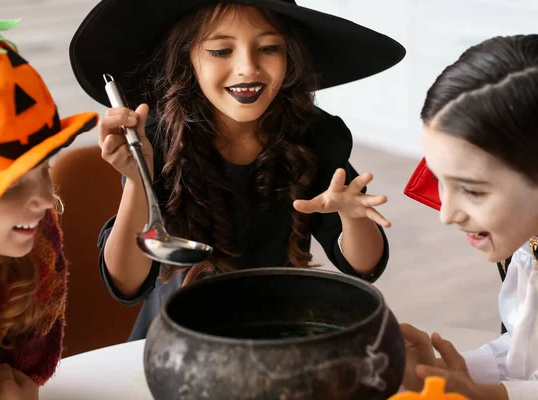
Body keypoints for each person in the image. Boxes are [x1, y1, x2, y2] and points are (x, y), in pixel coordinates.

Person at [69, 0, 406, 340]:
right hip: (175, 342)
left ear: (291, 56)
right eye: (220, 50)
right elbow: (126, 282)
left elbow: (364, 267)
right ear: (187, 58)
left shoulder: (316, 137)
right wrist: (136, 179)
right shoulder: (155, 140)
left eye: (269, 47)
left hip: (277, 336)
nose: (247, 67)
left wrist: (353, 216)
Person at [0, 19, 98, 398]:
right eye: (10, 184)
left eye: (44, 168)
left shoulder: (33, 251)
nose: (44, 200)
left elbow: (20, 378)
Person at [400, 34, 538, 400]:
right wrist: (445, 372)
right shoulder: (527, 246)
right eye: (438, 179)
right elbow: (527, 353)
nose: (446, 215)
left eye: (473, 190)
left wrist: (489, 394)